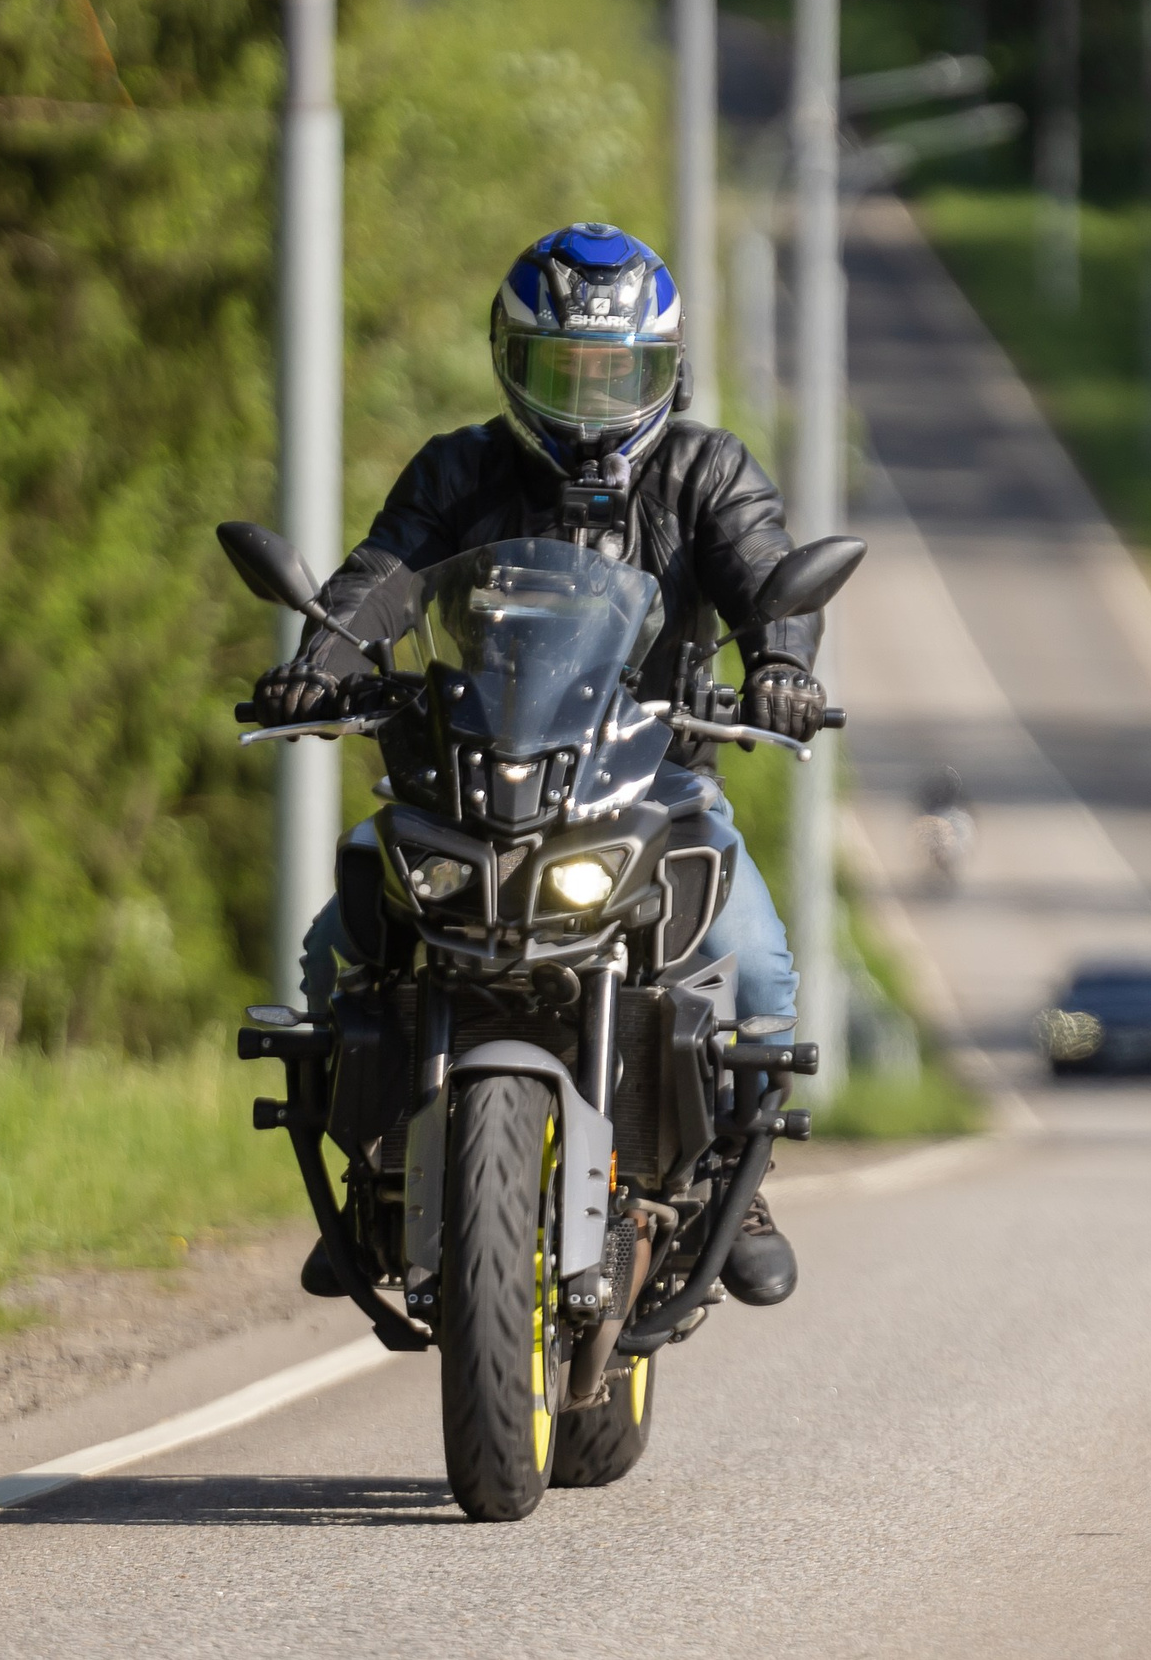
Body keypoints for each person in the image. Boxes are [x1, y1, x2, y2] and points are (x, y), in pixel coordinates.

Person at [255, 223, 816, 1308]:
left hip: (652, 780)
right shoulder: (459, 469)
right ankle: (370, 1166)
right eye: (567, 371)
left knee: (750, 956)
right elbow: (384, 577)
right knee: (341, 940)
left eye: (621, 374)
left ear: (667, 368)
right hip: (472, 774)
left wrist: (782, 664)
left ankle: (737, 1188)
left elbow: (764, 578)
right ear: (514, 362)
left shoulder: (707, 472)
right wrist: (317, 665)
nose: (593, 400)